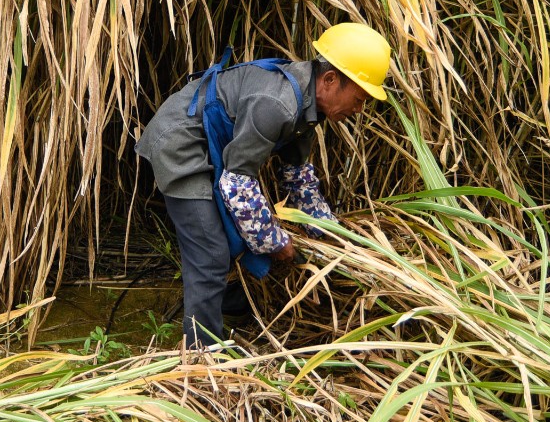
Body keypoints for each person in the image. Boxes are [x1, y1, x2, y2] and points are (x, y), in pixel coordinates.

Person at [136, 23, 391, 349]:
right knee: (211, 252)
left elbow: (299, 180)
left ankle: (223, 311)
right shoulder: (279, 104)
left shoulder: (307, 109)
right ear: (329, 81)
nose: (359, 109)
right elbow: (237, 182)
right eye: (358, 99)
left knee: (224, 242)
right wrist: (273, 240)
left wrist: (333, 236)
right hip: (181, 144)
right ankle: (203, 356)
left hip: (213, 151)